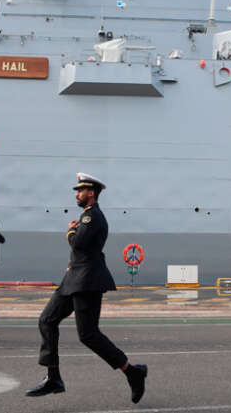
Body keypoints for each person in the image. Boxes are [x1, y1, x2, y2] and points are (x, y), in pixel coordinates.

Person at [26, 173, 148, 403]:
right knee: (46, 320)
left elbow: (78, 243)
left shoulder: (92, 217)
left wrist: (70, 231)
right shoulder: (86, 217)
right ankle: (53, 377)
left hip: (87, 282)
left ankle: (133, 372)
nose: (77, 194)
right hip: (73, 280)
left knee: (89, 335)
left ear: (91, 193)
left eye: (80, 190)